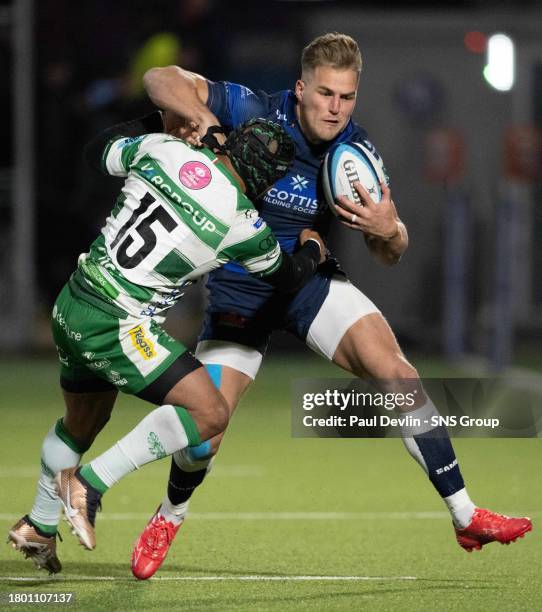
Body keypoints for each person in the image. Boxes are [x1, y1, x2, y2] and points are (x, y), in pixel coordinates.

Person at [126, 31, 532, 580]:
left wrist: (391, 230)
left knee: (396, 372)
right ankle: (170, 515)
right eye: (324, 95)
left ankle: (464, 513)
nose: (334, 108)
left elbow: (389, 251)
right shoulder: (252, 110)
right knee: (204, 433)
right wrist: (207, 123)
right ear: (300, 89)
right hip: (240, 289)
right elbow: (159, 80)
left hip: (306, 283)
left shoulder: (353, 153)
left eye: (345, 97)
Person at [7, 112, 326, 572]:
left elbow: (96, 149)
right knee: (210, 412)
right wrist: (314, 248)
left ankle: (39, 524)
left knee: (82, 421)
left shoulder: (167, 150)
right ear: (263, 182)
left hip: (72, 302)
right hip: (117, 323)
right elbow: (290, 278)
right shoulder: (241, 223)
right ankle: (89, 484)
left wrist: (157, 122)